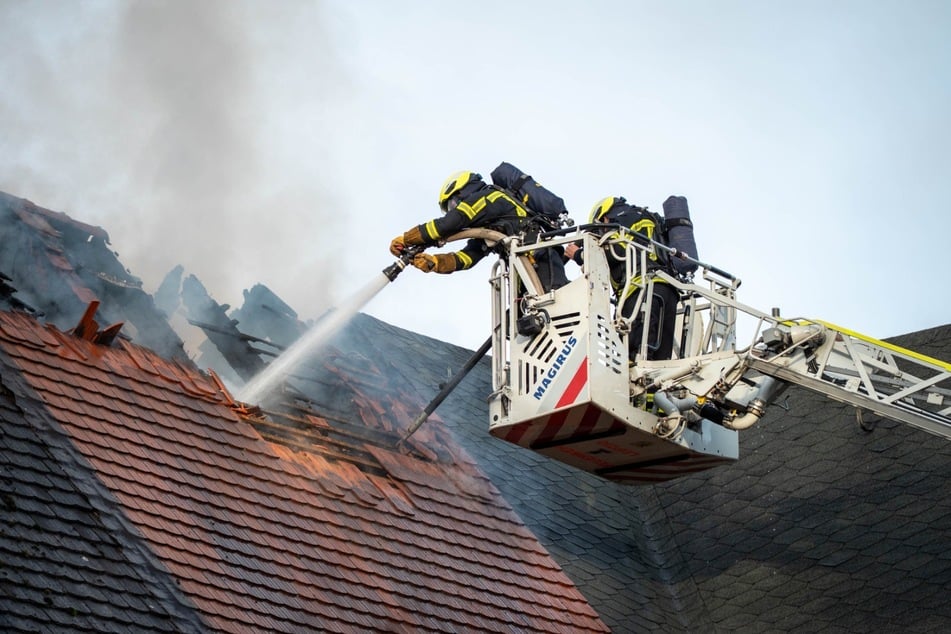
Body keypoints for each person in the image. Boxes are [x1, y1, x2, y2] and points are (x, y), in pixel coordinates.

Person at [389, 170, 568, 291]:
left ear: (462, 190)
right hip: (524, 271)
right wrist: (435, 262)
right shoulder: (488, 227)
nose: (454, 209)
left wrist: (407, 239)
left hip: (541, 258)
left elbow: (448, 224)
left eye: (452, 204)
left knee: (557, 305)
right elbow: (469, 257)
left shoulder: (487, 197)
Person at [565, 196, 678, 362]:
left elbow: (615, 252)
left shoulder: (619, 222)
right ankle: (652, 389)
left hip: (640, 289)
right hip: (668, 290)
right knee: (659, 363)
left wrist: (578, 254)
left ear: (603, 218)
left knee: (631, 358)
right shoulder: (645, 218)